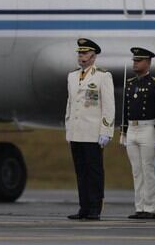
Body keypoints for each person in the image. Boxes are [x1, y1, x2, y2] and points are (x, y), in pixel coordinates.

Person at [65, 38, 115, 220]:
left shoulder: (103, 76)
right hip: (76, 132)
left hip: (93, 133)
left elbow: (109, 107)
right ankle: (84, 207)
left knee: (94, 172)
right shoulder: (72, 76)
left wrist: (106, 131)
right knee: (81, 171)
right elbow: (70, 104)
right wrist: (68, 128)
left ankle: (95, 208)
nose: (81, 57)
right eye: (80, 53)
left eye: (85, 54)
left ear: (94, 57)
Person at [120, 47, 155, 219]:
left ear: (148, 62)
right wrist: (123, 131)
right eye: (134, 60)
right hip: (132, 128)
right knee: (136, 171)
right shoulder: (130, 83)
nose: (135, 63)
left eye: (139, 61)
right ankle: (139, 206)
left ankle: (150, 208)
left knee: (148, 170)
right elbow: (125, 108)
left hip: (148, 128)